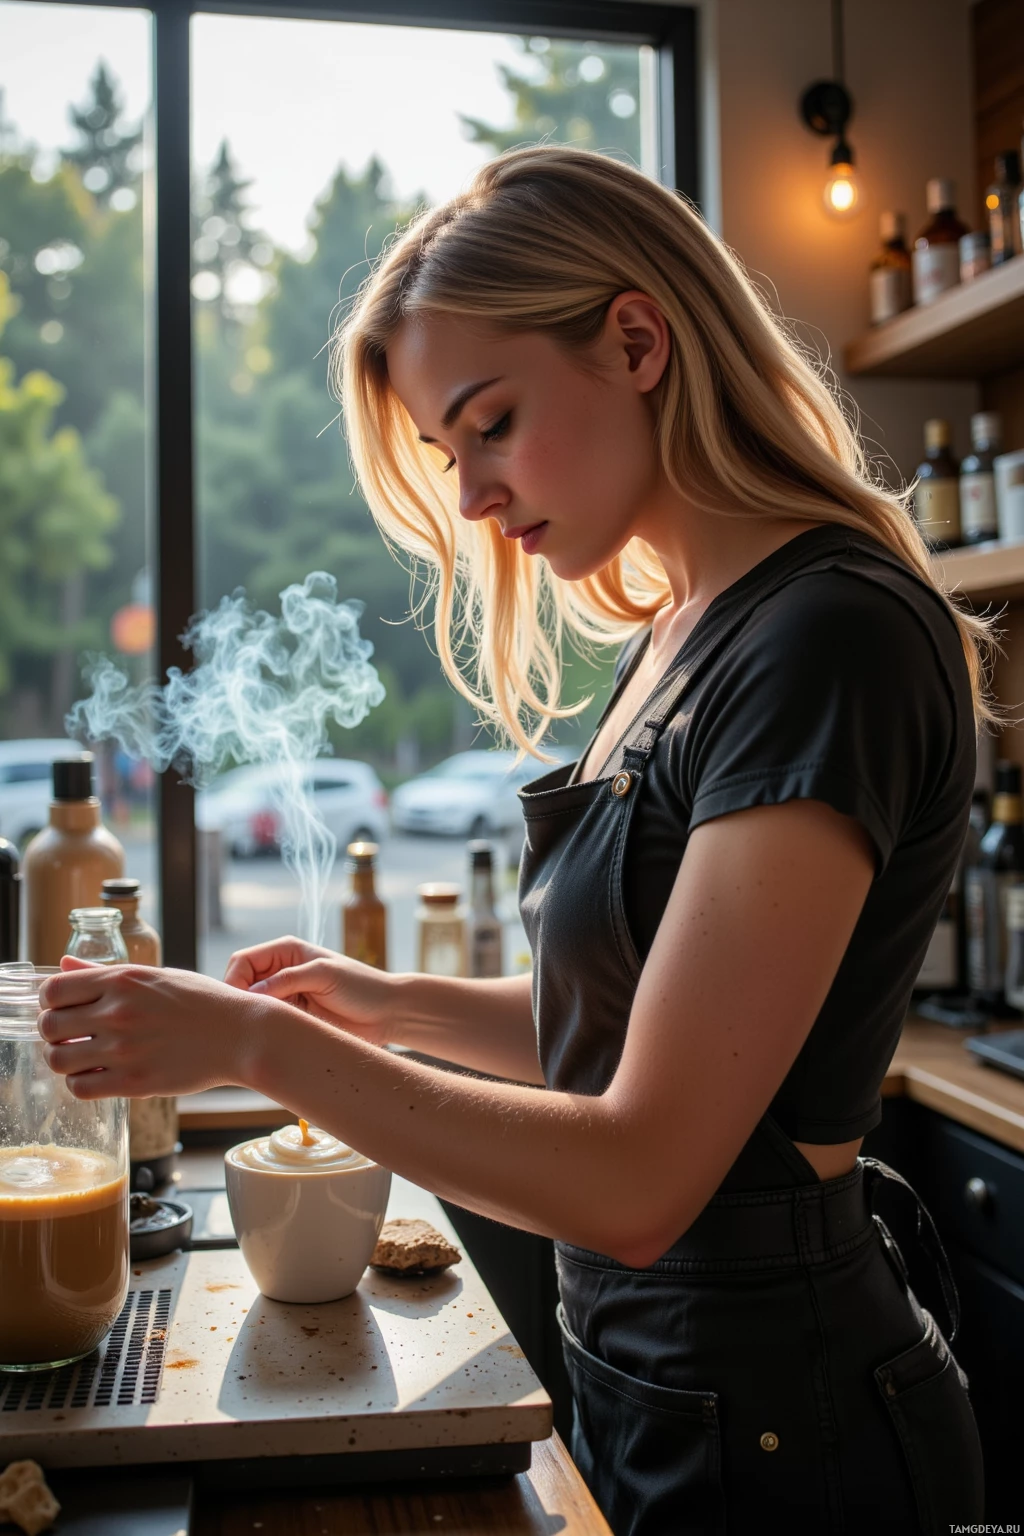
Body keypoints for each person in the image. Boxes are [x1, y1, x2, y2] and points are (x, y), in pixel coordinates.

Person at [38, 147, 995, 1534]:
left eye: (490, 423)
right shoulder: (685, 634)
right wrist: (381, 1005)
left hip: (795, 1428)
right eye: (449, 450)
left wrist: (255, 1045)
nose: (472, 496)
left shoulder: (824, 639)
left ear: (635, 339)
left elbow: (641, 1174)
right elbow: (623, 1029)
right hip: (664, 1385)